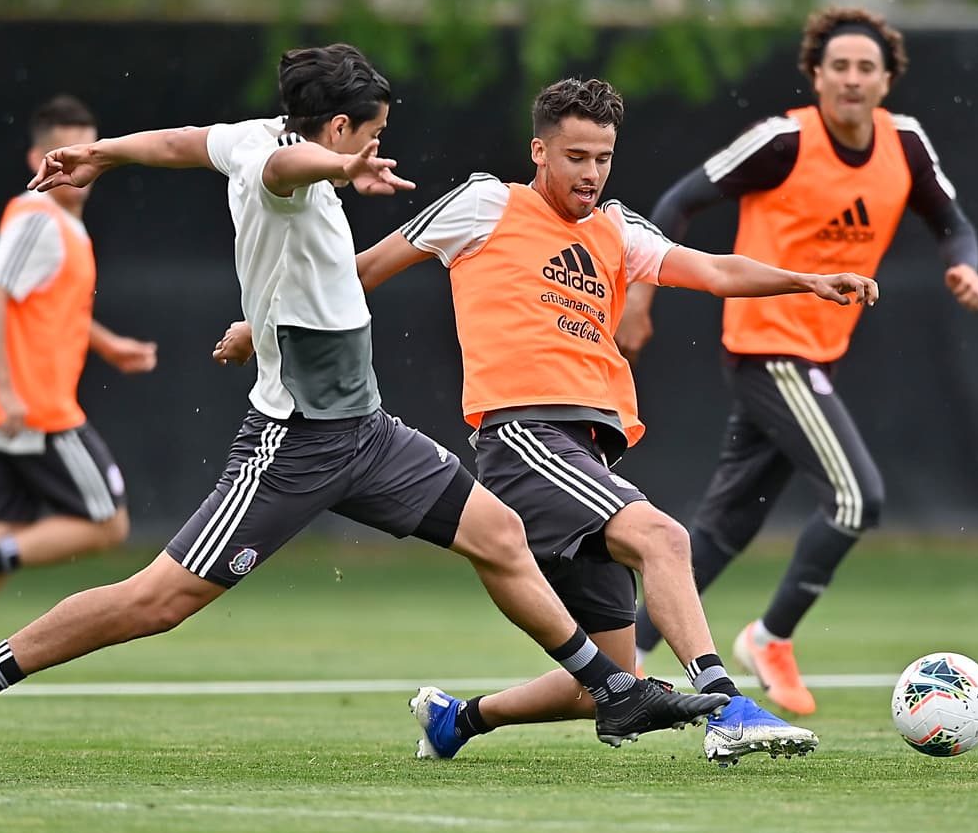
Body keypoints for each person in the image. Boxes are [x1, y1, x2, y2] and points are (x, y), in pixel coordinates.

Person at [0, 44, 730, 785]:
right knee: (156, 600)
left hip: (368, 432)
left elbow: (185, 141)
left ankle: (612, 687)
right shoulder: (285, 172)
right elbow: (288, 170)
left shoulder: (252, 135)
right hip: (293, 442)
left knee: (500, 534)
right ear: (337, 129)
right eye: (371, 134)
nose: (376, 145)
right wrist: (340, 168)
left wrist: (103, 153)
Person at [344, 76, 877, 766]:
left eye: (603, 158)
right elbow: (365, 268)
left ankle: (457, 720)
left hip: (587, 454)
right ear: (539, 151)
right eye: (575, 157)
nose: (591, 173)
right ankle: (727, 708)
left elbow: (715, 272)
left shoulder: (616, 229)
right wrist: (261, 326)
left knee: (606, 682)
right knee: (665, 537)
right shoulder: (486, 204)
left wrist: (805, 281)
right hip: (525, 438)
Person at [621, 6, 978, 716]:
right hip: (769, 349)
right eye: (838, 66)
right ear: (816, 76)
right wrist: (640, 298)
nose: (852, 79)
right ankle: (771, 637)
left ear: (886, 81)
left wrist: (964, 265)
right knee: (857, 497)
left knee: (725, 525)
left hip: (818, 354)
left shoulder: (905, 143)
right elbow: (676, 202)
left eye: (866, 68)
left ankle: (629, 653)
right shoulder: (784, 140)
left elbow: (954, 224)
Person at [0, 95, 158, 691]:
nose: (74, 164)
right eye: (59, 153)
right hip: (35, 408)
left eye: (83, 151)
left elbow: (48, 306)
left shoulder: (62, 227)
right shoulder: (39, 217)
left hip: (8, 408)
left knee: (5, 538)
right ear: (36, 159)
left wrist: (107, 345)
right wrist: (11, 389)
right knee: (109, 523)